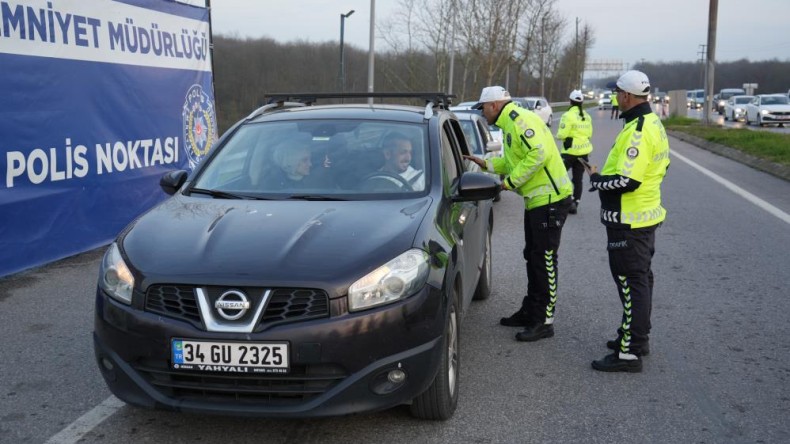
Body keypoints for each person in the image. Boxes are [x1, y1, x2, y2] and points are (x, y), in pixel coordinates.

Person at [463, 86, 573, 342]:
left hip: (550, 200)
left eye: (483, 109)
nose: (482, 114)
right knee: (533, 258)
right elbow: (515, 161)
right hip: (537, 200)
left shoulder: (519, 120)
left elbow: (538, 154)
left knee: (544, 261)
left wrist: (508, 183)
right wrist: (486, 163)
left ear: (493, 105)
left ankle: (545, 321)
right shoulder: (510, 123)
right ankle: (531, 311)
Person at [582, 70, 670, 372]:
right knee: (640, 279)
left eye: (617, 92)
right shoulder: (651, 123)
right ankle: (636, 337)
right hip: (643, 216)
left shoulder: (638, 131)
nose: (614, 97)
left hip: (629, 220)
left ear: (627, 97)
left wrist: (596, 180)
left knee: (631, 282)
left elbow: (627, 180)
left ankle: (630, 352)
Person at [556, 89, 593, 214]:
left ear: (570, 101)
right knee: (578, 180)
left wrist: (559, 136)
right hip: (583, 153)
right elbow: (590, 134)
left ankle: (565, 200)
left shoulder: (567, 115)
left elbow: (562, 134)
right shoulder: (587, 116)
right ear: (582, 102)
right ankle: (575, 202)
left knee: (559, 175)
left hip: (569, 152)